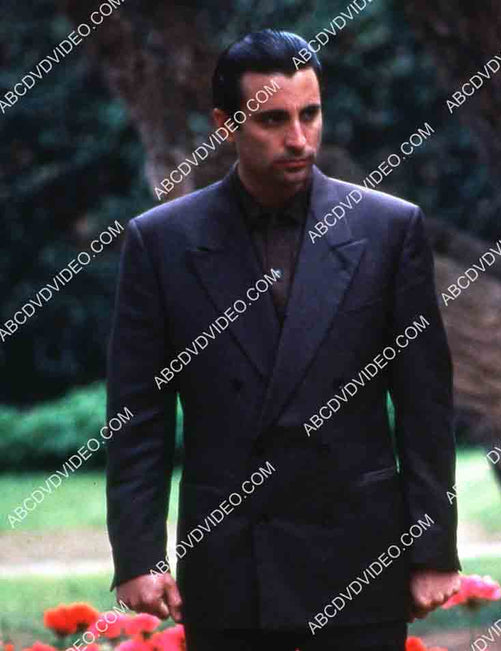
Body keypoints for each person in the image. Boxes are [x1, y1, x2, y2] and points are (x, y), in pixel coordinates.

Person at [105, 29, 460, 651]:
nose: (299, 139)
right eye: (272, 120)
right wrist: (138, 555)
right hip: (230, 564)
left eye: (310, 114)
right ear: (225, 124)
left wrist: (432, 549)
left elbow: (425, 405)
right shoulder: (160, 242)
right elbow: (138, 415)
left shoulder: (389, 228)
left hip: (359, 558)